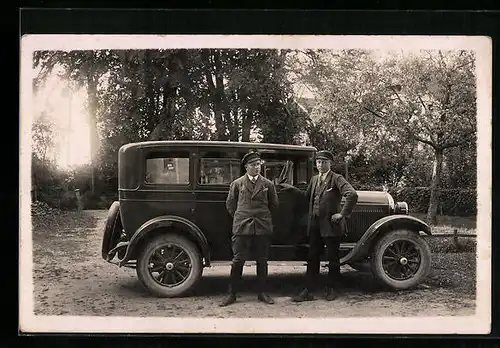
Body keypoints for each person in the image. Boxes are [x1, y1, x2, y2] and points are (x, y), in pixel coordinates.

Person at [292, 150, 358, 302]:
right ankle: (308, 290)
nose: (321, 165)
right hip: (315, 225)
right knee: (312, 258)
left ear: (330, 163)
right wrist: (292, 190)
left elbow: (352, 194)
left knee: (333, 259)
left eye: (324, 162)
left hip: (331, 225)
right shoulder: (314, 179)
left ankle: (332, 289)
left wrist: (342, 214)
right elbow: (306, 197)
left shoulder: (337, 178)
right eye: (318, 162)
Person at [219, 151, 280, 307]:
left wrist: (263, 218)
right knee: (238, 261)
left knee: (262, 261)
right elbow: (230, 205)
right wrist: (242, 217)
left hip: (262, 227)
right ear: (246, 167)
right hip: (242, 227)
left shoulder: (268, 184)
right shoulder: (237, 184)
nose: (257, 167)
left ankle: (262, 293)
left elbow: (274, 205)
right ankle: (231, 294)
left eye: (258, 164)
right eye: (253, 165)